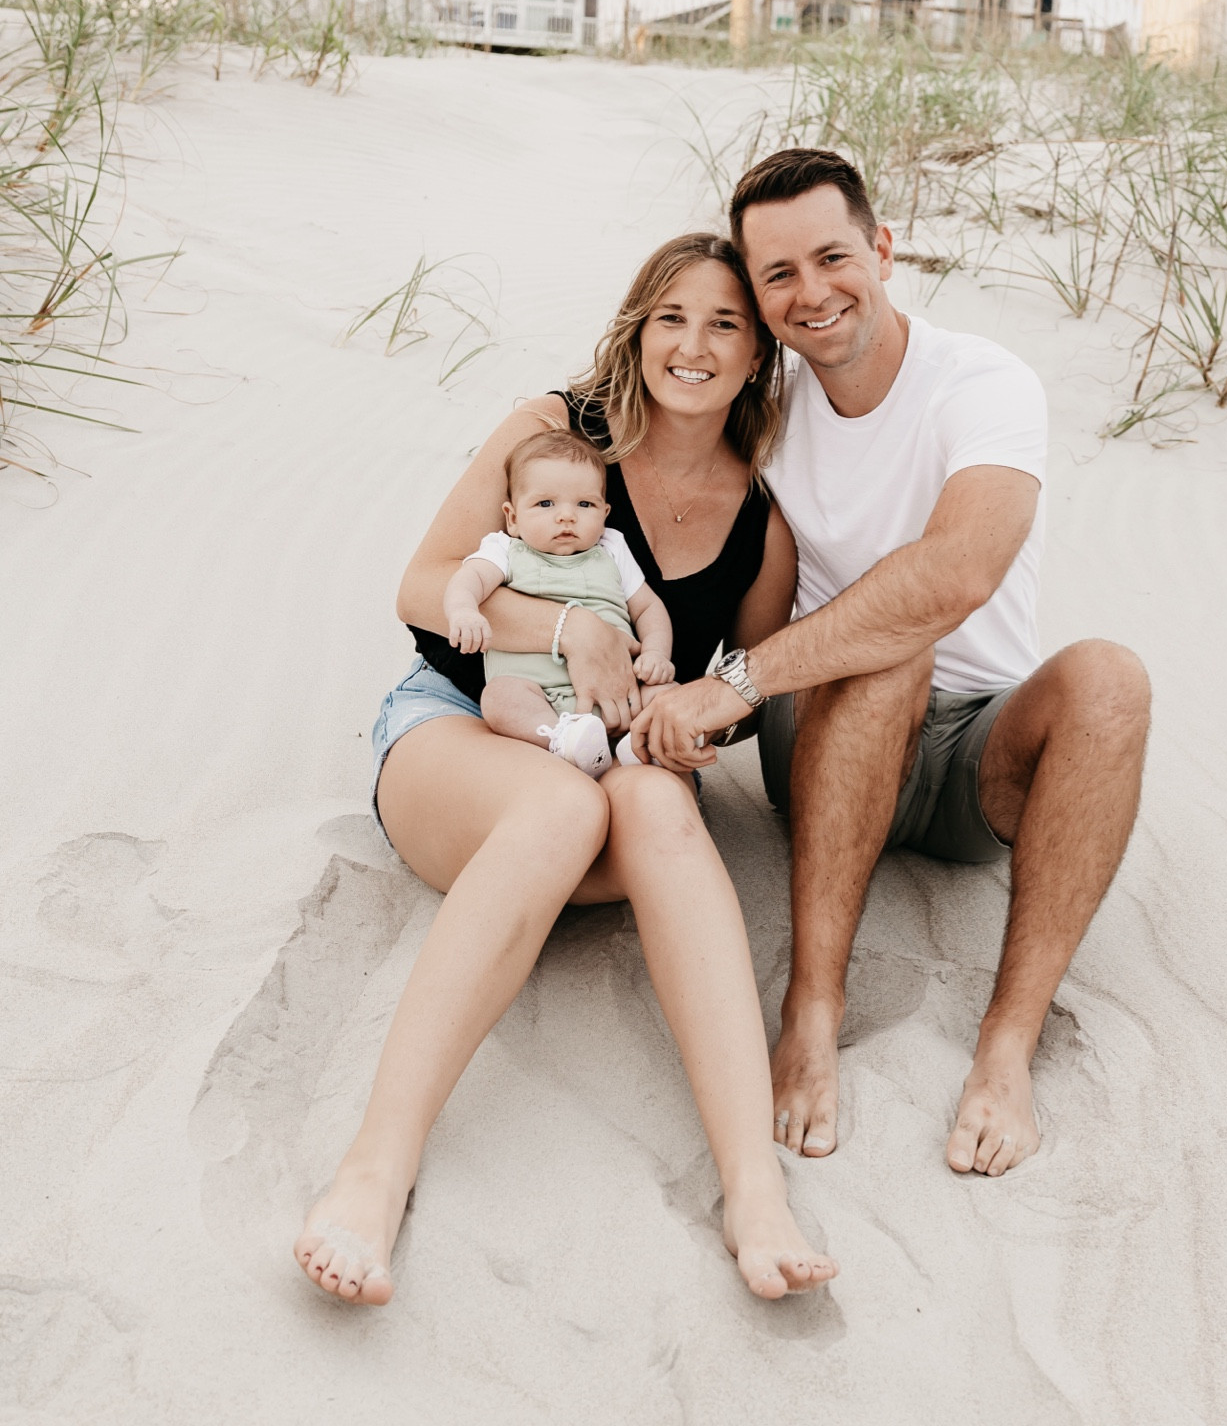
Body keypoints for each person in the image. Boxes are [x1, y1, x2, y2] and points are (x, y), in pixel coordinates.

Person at [294, 232, 838, 1305]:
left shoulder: (760, 520)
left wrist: (687, 716)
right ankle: (374, 1167)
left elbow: (741, 679)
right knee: (555, 809)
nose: (693, 344)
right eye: (671, 317)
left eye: (725, 322)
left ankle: (753, 1188)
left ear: (757, 351)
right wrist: (568, 630)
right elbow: (422, 583)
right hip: (464, 731)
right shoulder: (554, 433)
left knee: (663, 815)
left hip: (618, 754)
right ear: (636, 328)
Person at [630, 149, 1150, 1179]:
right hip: (825, 732)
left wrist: (730, 678)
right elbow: (638, 405)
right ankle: (813, 1005)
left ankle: (1006, 1044)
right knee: (883, 656)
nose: (810, 291)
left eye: (831, 256)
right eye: (776, 274)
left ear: (882, 246)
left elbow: (959, 568)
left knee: (1110, 676)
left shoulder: (981, 380)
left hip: (973, 752)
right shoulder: (764, 396)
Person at [443, 428, 674, 777]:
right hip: (538, 695)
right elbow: (468, 579)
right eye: (545, 504)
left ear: (604, 512)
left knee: (667, 694)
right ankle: (560, 740)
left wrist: (656, 654)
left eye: (585, 504)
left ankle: (645, 743)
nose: (566, 516)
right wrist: (463, 610)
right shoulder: (505, 550)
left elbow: (649, 608)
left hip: (622, 689)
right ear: (513, 517)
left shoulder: (611, 548)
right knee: (500, 698)